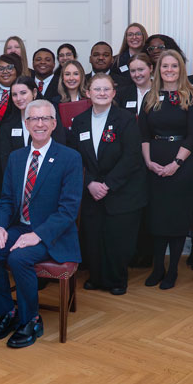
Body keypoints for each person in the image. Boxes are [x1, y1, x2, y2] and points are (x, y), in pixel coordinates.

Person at [0, 99, 82, 348]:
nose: (39, 123)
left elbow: (68, 210)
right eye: (34, 119)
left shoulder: (70, 158)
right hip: (20, 228)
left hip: (53, 233)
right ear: (26, 123)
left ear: (54, 123)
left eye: (45, 118)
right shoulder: (16, 158)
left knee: (18, 259)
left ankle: (31, 320)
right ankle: (8, 313)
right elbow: (5, 200)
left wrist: (38, 235)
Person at [69, 73, 146, 295]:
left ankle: (116, 280)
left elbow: (132, 156)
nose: (101, 93)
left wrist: (107, 184)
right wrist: (91, 183)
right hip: (91, 190)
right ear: (88, 93)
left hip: (121, 190)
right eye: (97, 89)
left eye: (106, 89)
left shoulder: (126, 119)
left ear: (113, 93)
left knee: (117, 238)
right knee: (93, 236)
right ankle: (96, 277)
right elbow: (75, 158)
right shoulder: (80, 121)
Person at [138, 50, 193, 290]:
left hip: (182, 166)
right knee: (156, 219)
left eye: (173, 66)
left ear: (181, 69)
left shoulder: (192, 96)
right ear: (158, 69)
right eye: (164, 66)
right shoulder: (150, 96)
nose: (168, 70)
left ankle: (172, 270)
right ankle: (158, 268)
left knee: (176, 219)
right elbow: (143, 134)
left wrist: (176, 164)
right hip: (154, 164)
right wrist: (148, 162)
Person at [0, 76, 66, 169]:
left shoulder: (49, 117)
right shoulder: (8, 125)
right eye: (14, 94)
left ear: (34, 93)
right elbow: (6, 161)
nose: (18, 98)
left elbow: (60, 149)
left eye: (23, 93)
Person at [115, 53, 153, 117]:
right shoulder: (122, 93)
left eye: (140, 70)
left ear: (151, 68)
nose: (137, 74)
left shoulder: (161, 90)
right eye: (133, 71)